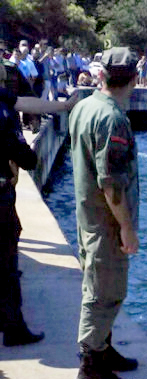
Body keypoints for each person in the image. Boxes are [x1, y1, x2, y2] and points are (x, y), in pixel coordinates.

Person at [69, 47, 140, 379]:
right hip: (105, 223)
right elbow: (110, 181)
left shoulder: (84, 106)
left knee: (100, 286)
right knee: (104, 293)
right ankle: (90, 367)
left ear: (102, 75)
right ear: (135, 78)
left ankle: (104, 348)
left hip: (88, 217)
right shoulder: (112, 118)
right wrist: (126, 226)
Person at [0, 61, 77, 346]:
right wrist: (26, 158)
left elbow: (25, 102)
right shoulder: (1, 109)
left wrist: (63, 107)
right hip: (0, 195)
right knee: (7, 264)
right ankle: (13, 328)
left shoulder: (3, 97)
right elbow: (17, 148)